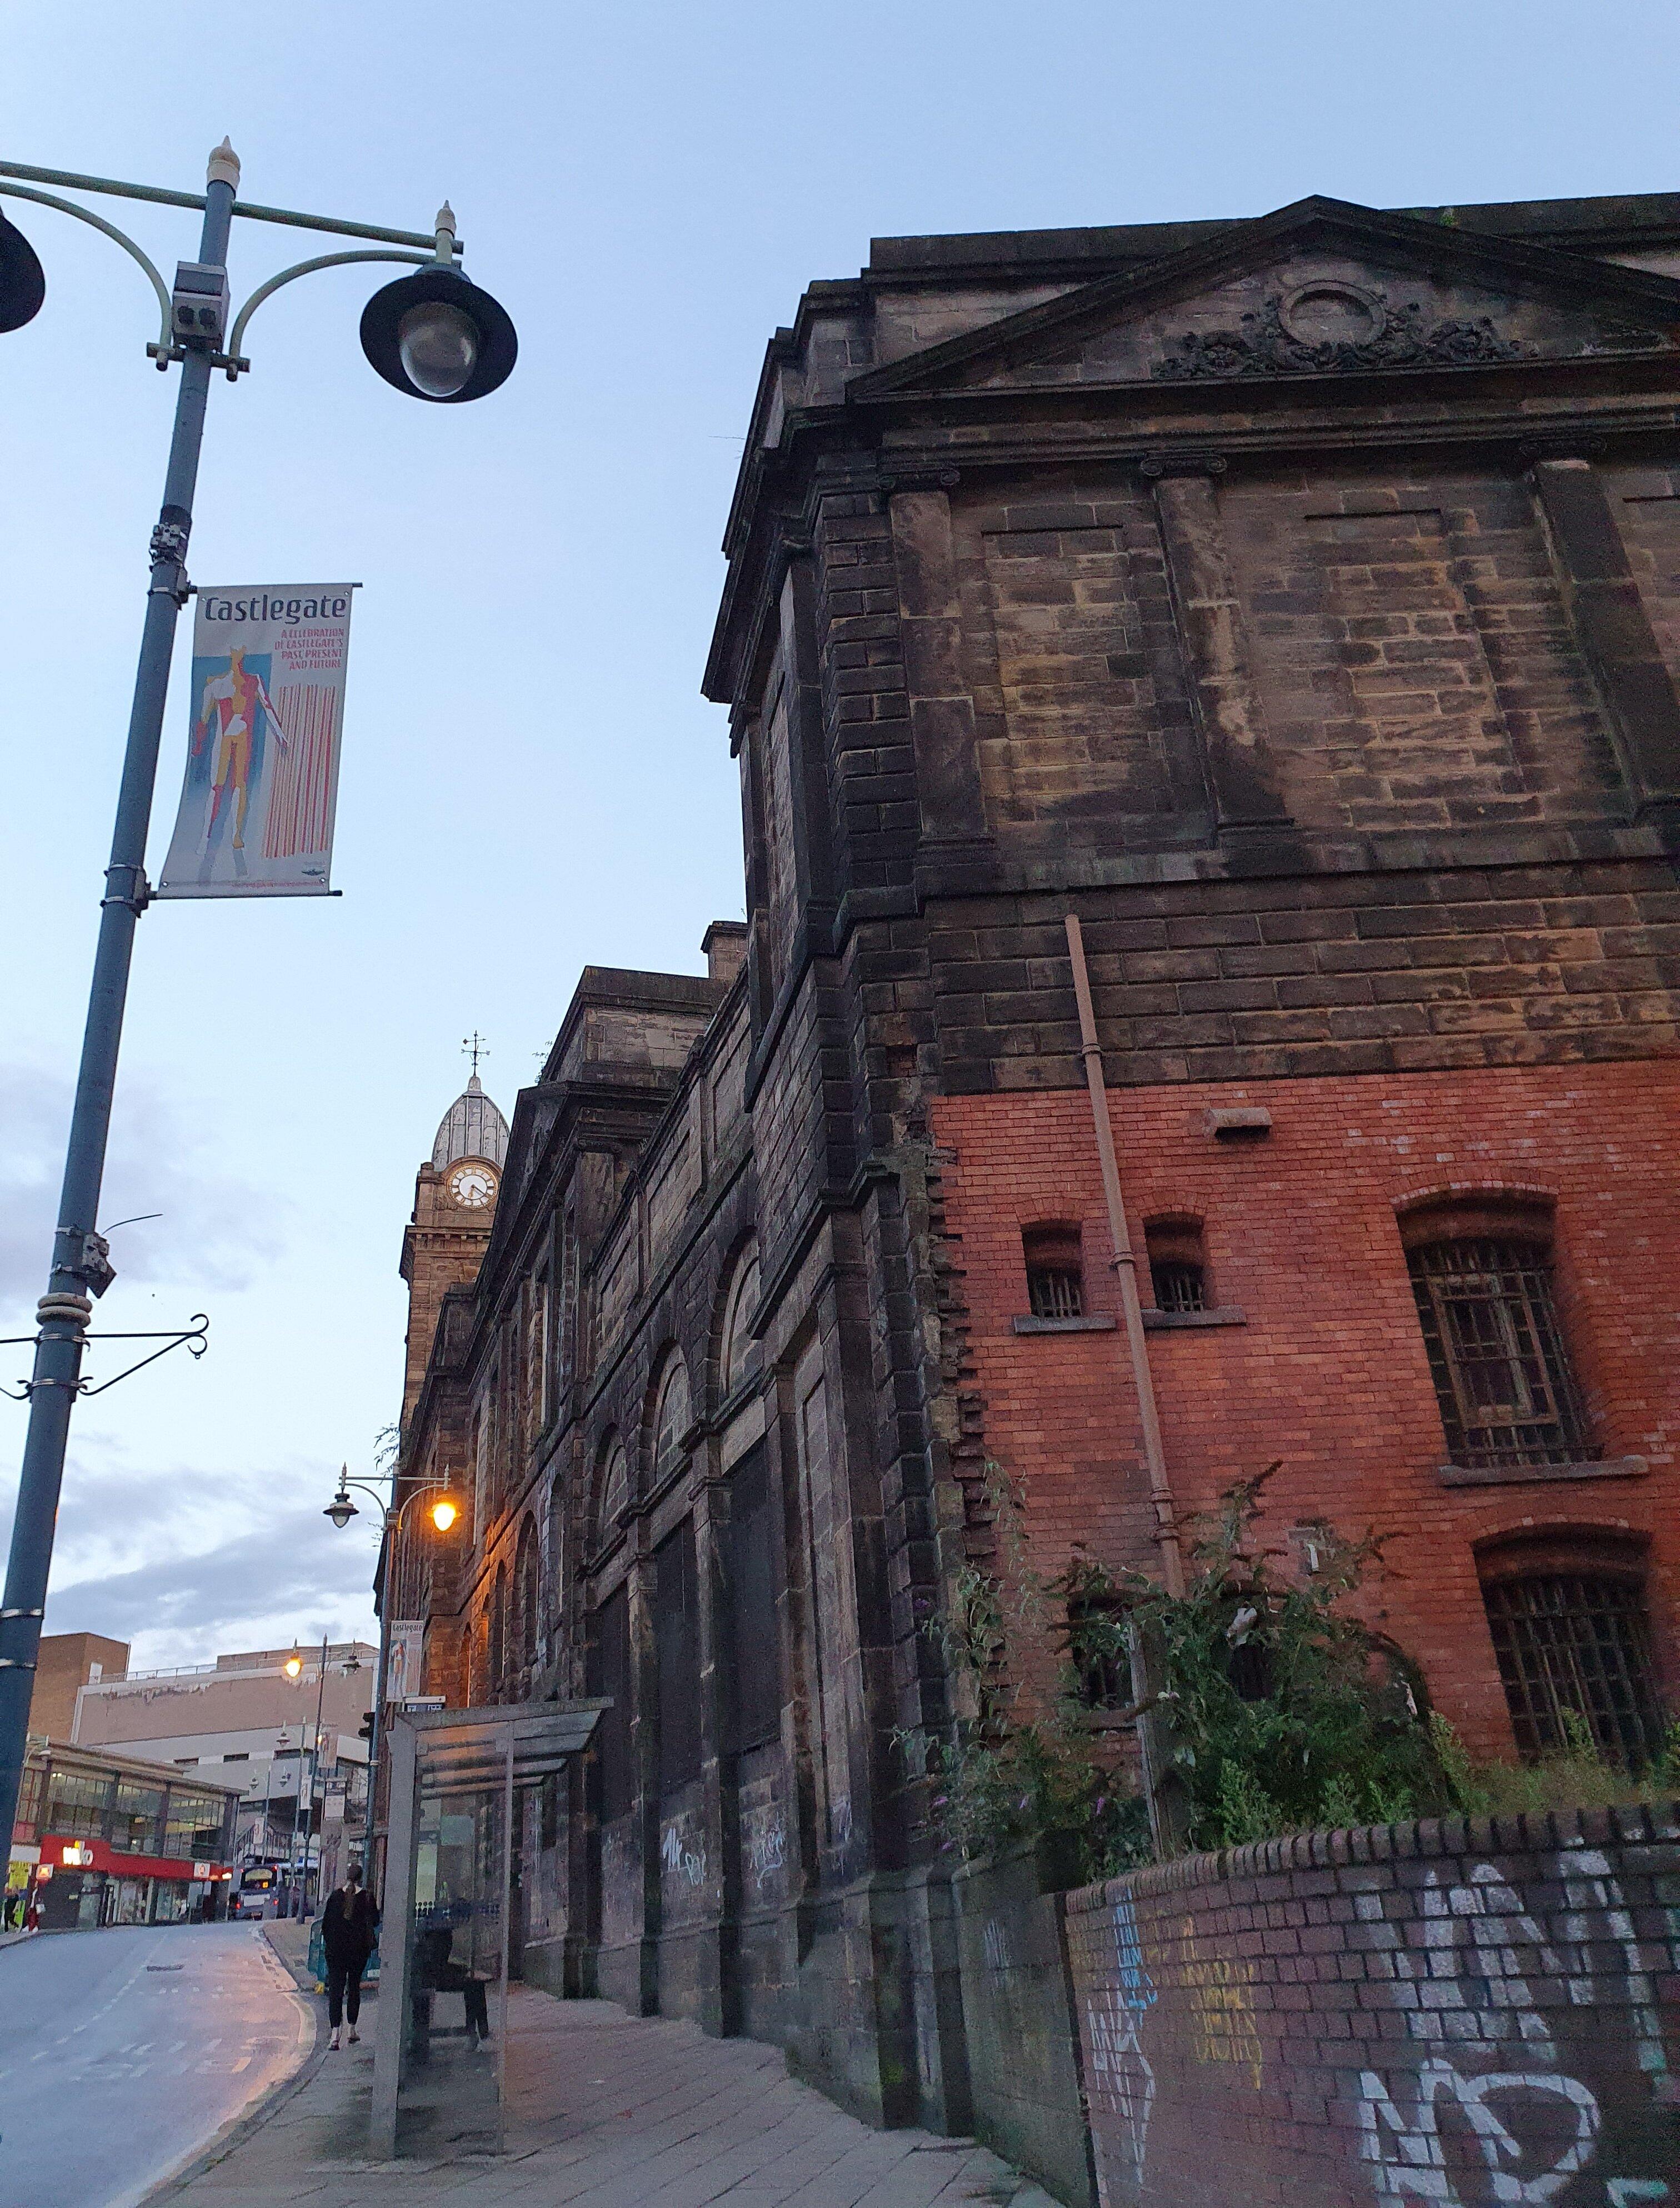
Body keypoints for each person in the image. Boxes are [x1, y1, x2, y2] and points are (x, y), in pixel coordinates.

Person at [321, 1865, 379, 2052]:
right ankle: (352, 2030)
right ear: (361, 1877)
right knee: (354, 1988)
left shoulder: (335, 1897)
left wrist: (332, 1945)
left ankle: (334, 2036)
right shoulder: (367, 1898)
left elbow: (325, 1926)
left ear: (347, 1877)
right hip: (358, 1953)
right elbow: (375, 1921)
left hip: (336, 1953)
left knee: (336, 1991)